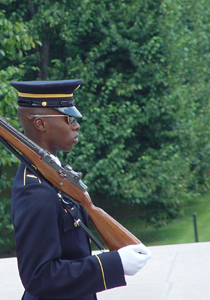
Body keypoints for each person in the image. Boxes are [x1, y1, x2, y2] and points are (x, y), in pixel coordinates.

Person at [9, 79, 152, 300]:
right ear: (40, 124)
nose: (76, 125)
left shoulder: (53, 175)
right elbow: (39, 278)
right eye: (68, 118)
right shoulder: (35, 192)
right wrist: (113, 264)